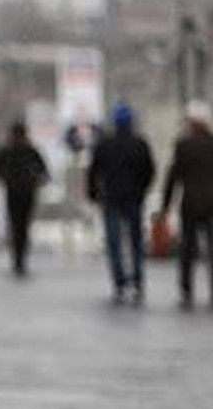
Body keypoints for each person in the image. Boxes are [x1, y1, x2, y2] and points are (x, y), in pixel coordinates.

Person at [87, 103, 156, 305]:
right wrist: (142, 190)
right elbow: (149, 170)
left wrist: (94, 193)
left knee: (114, 242)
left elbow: (93, 171)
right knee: (135, 241)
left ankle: (119, 282)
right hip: (134, 198)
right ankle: (137, 280)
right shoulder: (140, 143)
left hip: (111, 199)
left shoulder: (105, 144)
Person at [159, 100, 213, 309]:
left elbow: (174, 176)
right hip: (211, 204)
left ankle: (186, 289)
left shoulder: (183, 145)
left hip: (190, 204)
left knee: (187, 249)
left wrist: (166, 205)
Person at [0, 122, 49, 277]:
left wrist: (6, 178)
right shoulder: (28, 151)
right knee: (21, 227)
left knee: (18, 227)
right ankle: (19, 259)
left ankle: (18, 259)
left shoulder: (9, 151)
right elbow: (43, 171)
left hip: (16, 193)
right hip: (23, 193)